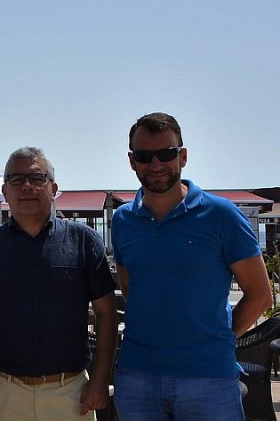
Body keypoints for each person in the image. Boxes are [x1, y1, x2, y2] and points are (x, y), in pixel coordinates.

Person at [111, 112, 273, 420]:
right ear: (132, 161)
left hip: (209, 378)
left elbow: (260, 295)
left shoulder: (221, 215)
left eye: (166, 154)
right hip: (137, 375)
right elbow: (131, 288)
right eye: (145, 156)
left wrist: (221, 340)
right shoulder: (123, 221)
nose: (156, 165)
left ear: (182, 156)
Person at [0, 146, 117, 420]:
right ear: (5, 191)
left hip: (70, 392)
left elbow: (106, 313)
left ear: (53, 188)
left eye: (36, 179)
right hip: (3, 392)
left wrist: (100, 379)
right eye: (16, 179)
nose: (27, 187)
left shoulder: (84, 240)